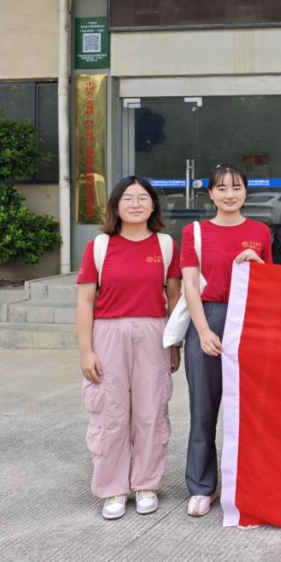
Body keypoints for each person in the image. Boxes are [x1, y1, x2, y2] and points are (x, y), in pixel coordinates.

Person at [76, 176, 182, 520]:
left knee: (151, 411)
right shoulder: (100, 246)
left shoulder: (166, 245)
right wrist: (86, 351)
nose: (135, 204)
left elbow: (174, 297)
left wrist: (174, 342)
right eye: (128, 198)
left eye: (142, 198)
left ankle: (146, 483)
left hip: (154, 333)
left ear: (153, 206)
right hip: (108, 334)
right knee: (110, 412)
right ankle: (113, 488)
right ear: (116, 206)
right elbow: (85, 300)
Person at [180, 163, 271, 518]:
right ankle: (202, 486)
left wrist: (258, 262)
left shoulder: (260, 231)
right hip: (209, 316)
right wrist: (203, 330)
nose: (230, 194)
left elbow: (270, 282)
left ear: (246, 192)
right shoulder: (195, 232)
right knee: (203, 408)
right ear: (210, 194)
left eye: (236, 187)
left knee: (249, 408)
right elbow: (190, 284)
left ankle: (247, 483)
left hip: (249, 319)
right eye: (222, 188)